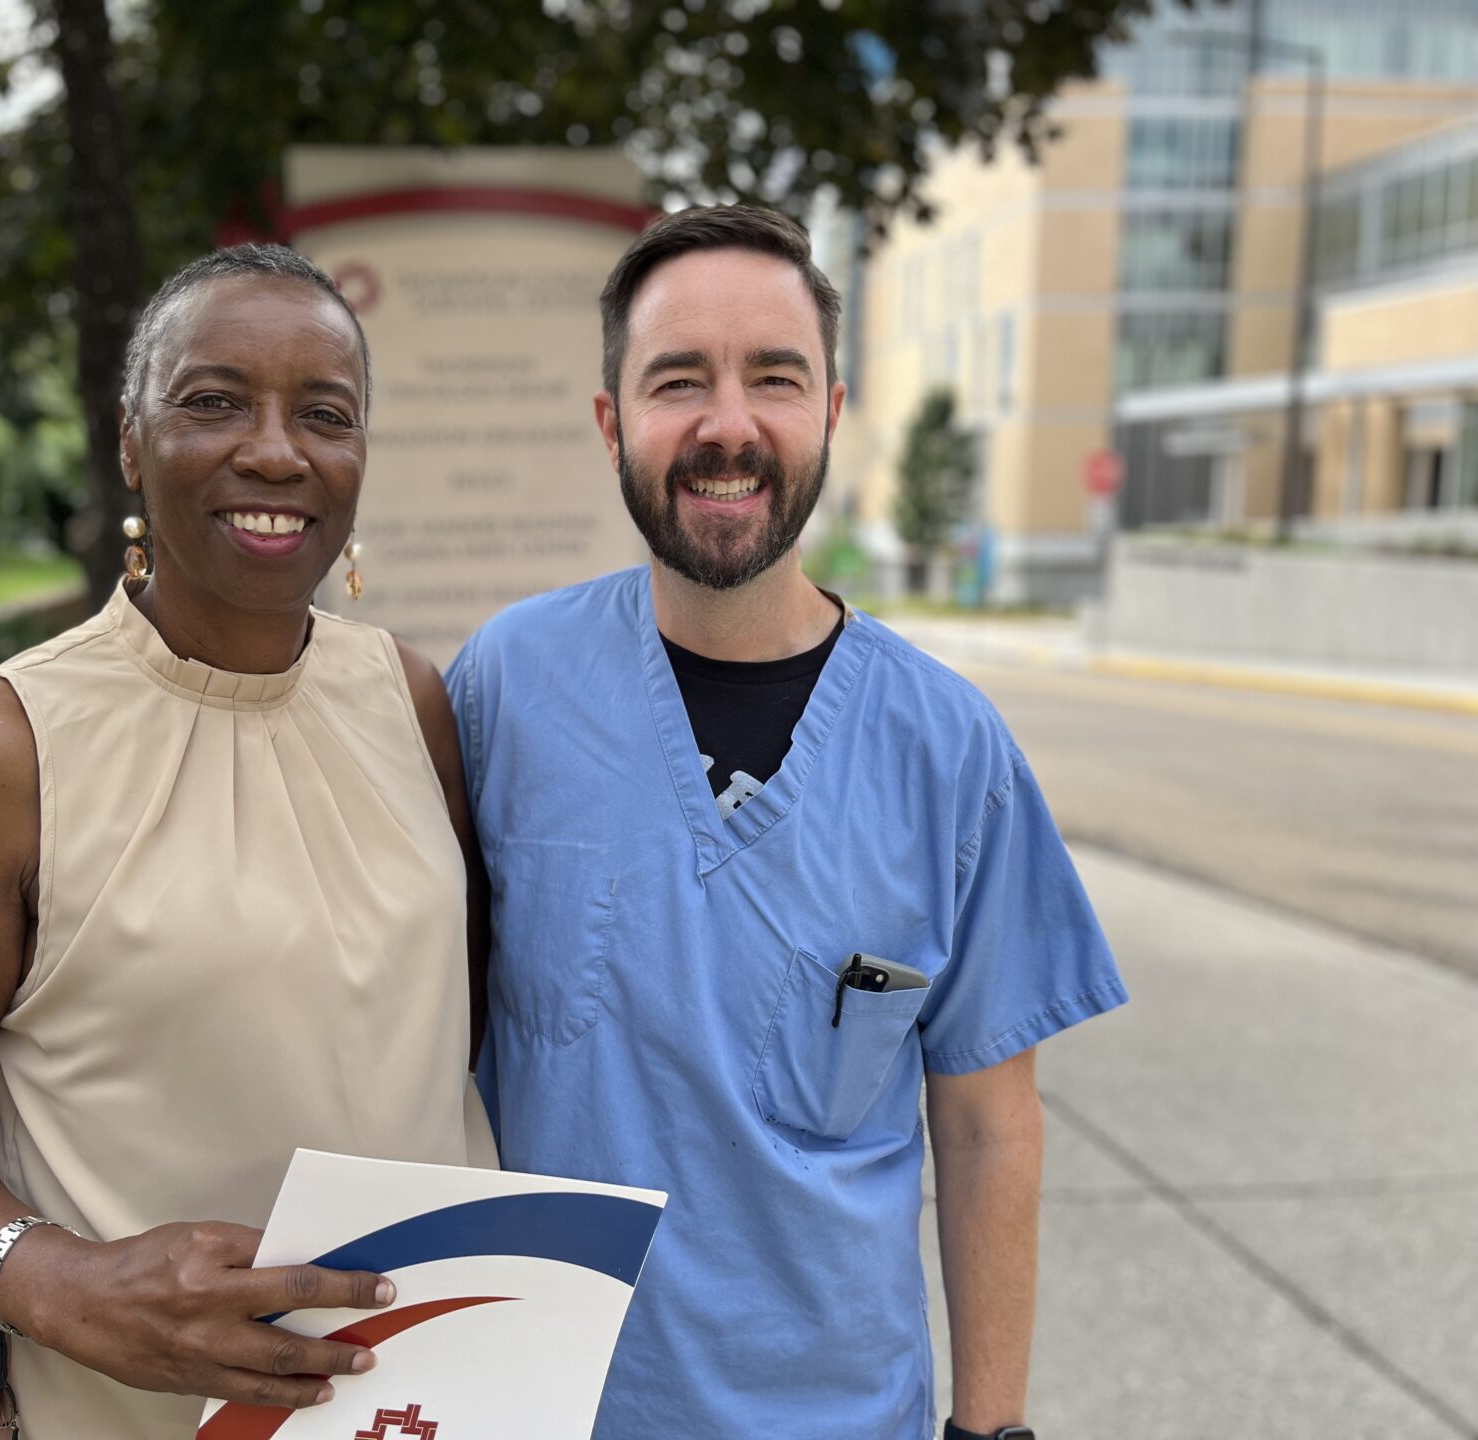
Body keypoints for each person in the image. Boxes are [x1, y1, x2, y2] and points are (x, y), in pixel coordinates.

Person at [445, 206, 1126, 1440]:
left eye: (775, 377)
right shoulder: (506, 688)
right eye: (677, 382)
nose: (727, 424)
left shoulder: (948, 746)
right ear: (612, 425)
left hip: (839, 1411)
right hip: (545, 1406)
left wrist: (994, 1428)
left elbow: (984, 1123)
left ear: (830, 410)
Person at [0, 243, 495, 1439]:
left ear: (360, 457)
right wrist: (59, 1281)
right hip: (116, 1412)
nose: (275, 450)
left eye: (323, 415)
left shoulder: (412, 701)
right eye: (214, 401)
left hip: (416, 1404)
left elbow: (437, 1043)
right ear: (131, 440)